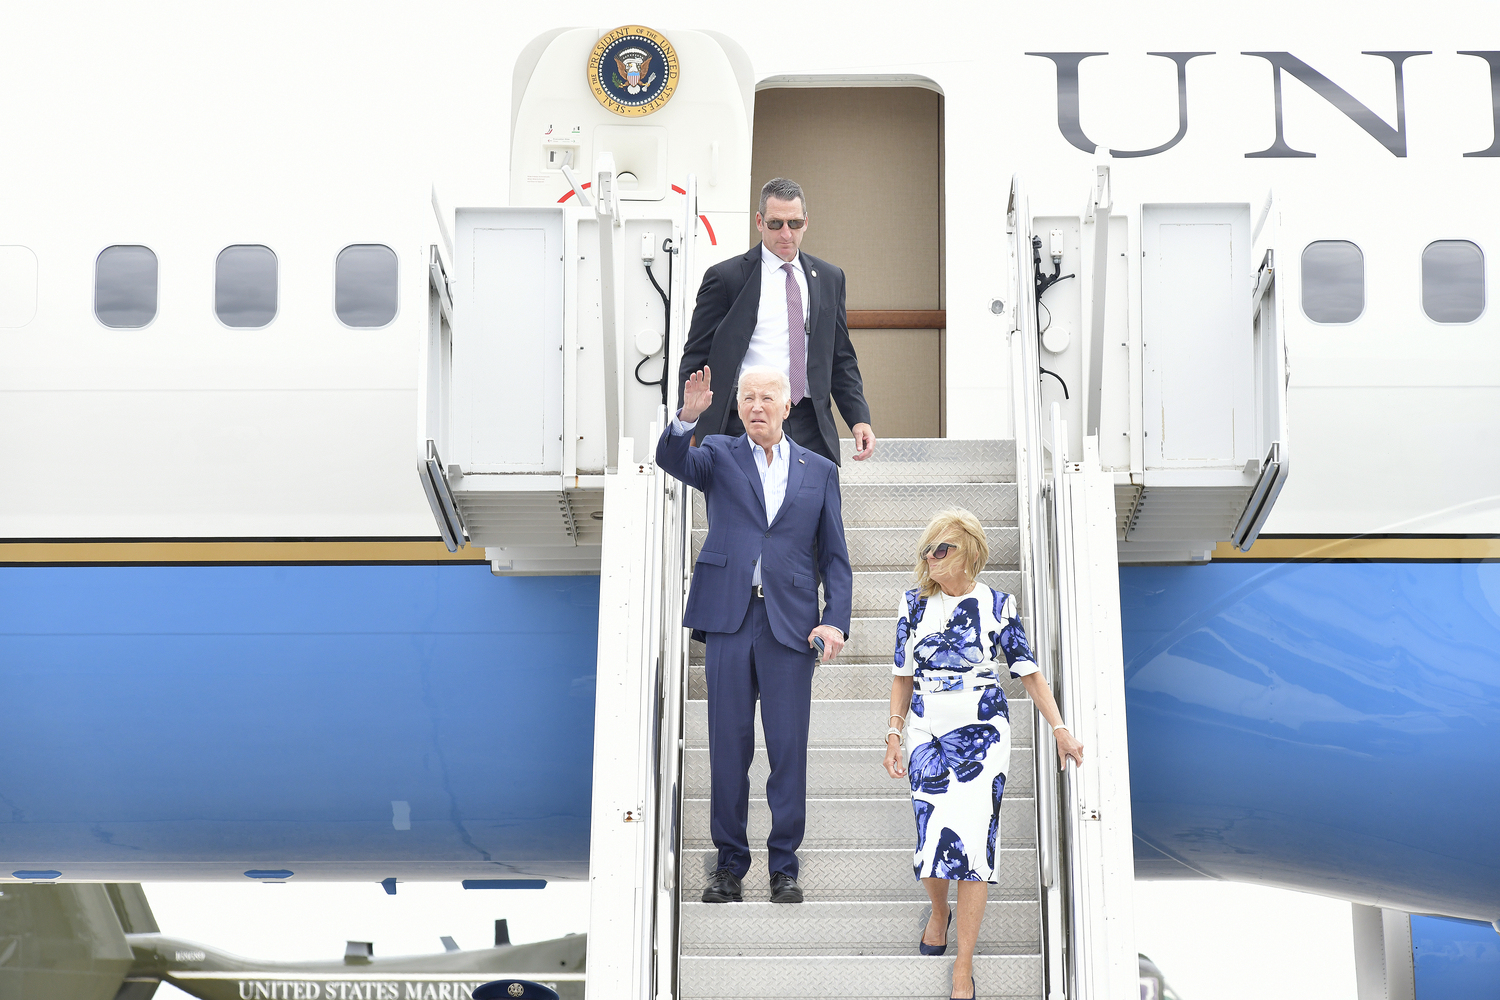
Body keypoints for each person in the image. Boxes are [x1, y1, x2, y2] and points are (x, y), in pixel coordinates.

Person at [658, 363, 853, 904]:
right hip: (728, 619)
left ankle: (784, 867)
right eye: (748, 398)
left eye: (767, 397)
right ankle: (729, 867)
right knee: (728, 748)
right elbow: (673, 459)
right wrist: (686, 418)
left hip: (790, 626)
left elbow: (835, 558)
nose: (756, 406)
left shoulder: (820, 471)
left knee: (788, 750)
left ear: (788, 407)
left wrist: (835, 619)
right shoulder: (719, 453)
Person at [881, 509, 1085, 1000]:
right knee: (931, 847)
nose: (929, 557)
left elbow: (1029, 671)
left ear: (968, 553)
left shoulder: (998, 604)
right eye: (926, 549)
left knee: (974, 848)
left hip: (983, 732)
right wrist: (893, 734)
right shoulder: (911, 604)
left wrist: (1059, 728)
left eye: (941, 549)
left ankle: (963, 964)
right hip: (927, 729)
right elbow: (902, 676)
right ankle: (938, 910)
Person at [677, 177, 877, 467]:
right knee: (746, 510)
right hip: (744, 420)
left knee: (811, 508)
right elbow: (696, 356)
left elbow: (841, 358)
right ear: (759, 221)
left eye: (794, 223)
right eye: (776, 224)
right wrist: (690, 420)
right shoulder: (726, 279)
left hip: (809, 420)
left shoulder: (830, 278)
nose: (786, 233)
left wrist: (858, 418)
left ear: (806, 222)